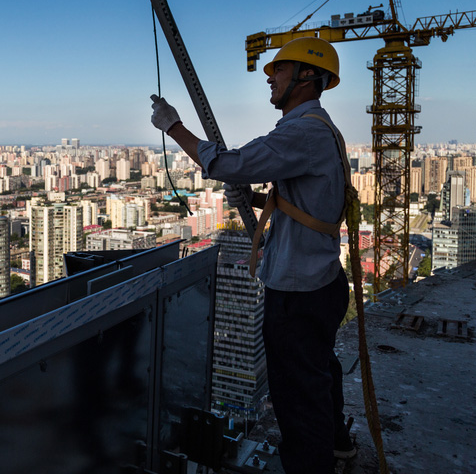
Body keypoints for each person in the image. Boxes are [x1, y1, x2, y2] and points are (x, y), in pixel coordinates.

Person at [150, 37, 355, 474]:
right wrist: (262, 198)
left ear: (306, 76)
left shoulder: (303, 131)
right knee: (318, 371)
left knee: (295, 394)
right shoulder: (321, 131)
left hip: (299, 290)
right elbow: (306, 201)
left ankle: (311, 466)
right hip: (320, 281)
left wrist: (174, 127)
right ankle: (337, 444)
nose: (271, 79)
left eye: (279, 71)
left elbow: (226, 163)